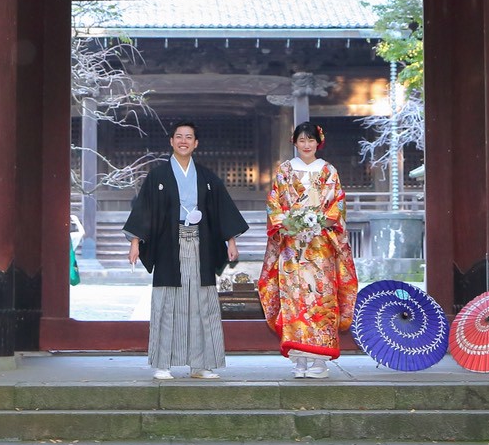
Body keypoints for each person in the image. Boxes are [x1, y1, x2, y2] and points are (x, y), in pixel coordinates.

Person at [123, 123, 249, 380]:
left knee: (203, 302)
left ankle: (201, 364)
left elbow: (221, 209)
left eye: (188, 137)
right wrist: (135, 241)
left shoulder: (206, 177)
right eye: (179, 137)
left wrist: (231, 240)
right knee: (167, 301)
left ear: (196, 143)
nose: (183, 141)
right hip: (169, 243)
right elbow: (144, 210)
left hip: (200, 244)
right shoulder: (158, 176)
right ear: (171, 141)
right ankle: (163, 363)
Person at [259, 123, 359, 379]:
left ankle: (320, 361)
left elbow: (338, 205)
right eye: (301, 140)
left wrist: (320, 222)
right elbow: (274, 204)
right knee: (294, 300)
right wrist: (289, 224)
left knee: (321, 299)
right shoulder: (284, 170)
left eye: (311, 140)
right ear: (294, 142)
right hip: (292, 248)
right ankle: (299, 359)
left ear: (318, 142)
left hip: (321, 246)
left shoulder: (328, 170)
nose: (306, 144)